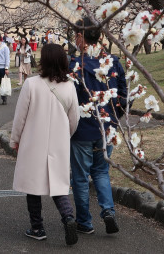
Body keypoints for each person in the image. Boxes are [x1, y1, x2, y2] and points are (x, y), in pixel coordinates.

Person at [10, 43, 80, 245]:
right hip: (58, 143)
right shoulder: (69, 86)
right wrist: (64, 136)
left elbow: (20, 117)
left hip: (33, 142)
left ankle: (37, 227)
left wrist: (15, 140)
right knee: (58, 185)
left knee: (33, 186)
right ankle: (68, 217)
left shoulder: (31, 84)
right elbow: (74, 119)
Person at [69, 16, 127, 235]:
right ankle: (108, 211)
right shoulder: (113, 62)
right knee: (102, 172)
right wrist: (114, 117)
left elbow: (69, 98)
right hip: (107, 127)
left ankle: (85, 221)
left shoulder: (75, 65)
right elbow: (123, 94)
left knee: (81, 177)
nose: (75, 39)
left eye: (76, 35)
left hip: (82, 129)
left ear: (82, 38)